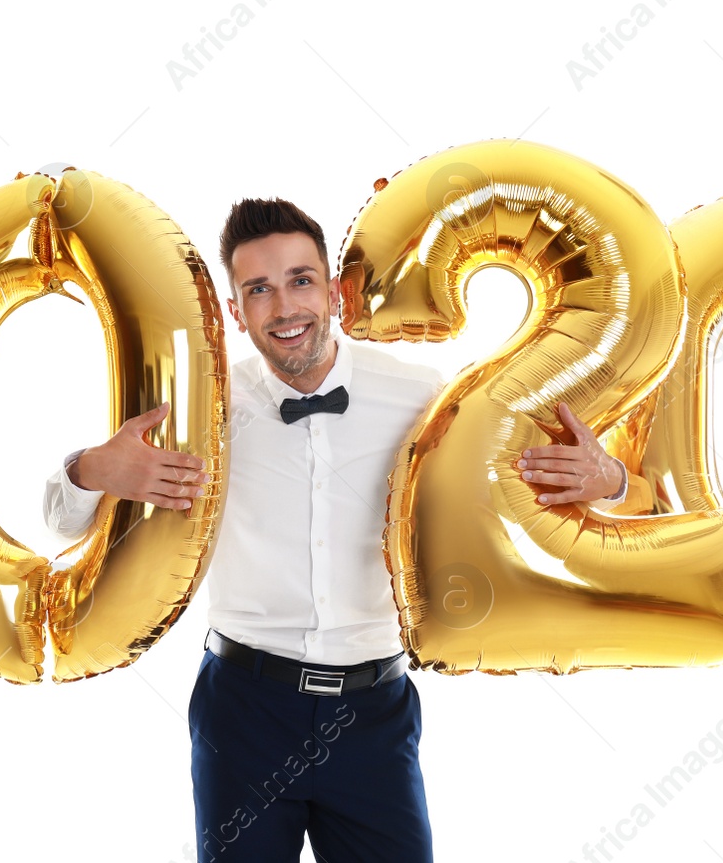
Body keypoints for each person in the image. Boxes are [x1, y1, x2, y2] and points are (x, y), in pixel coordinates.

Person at [42, 198, 635, 862]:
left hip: (374, 711)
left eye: (299, 281)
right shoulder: (202, 411)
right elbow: (63, 524)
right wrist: (92, 469)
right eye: (258, 290)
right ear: (235, 314)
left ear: (332, 291)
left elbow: (549, 495)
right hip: (244, 710)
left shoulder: (422, 399)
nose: (285, 308)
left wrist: (607, 479)